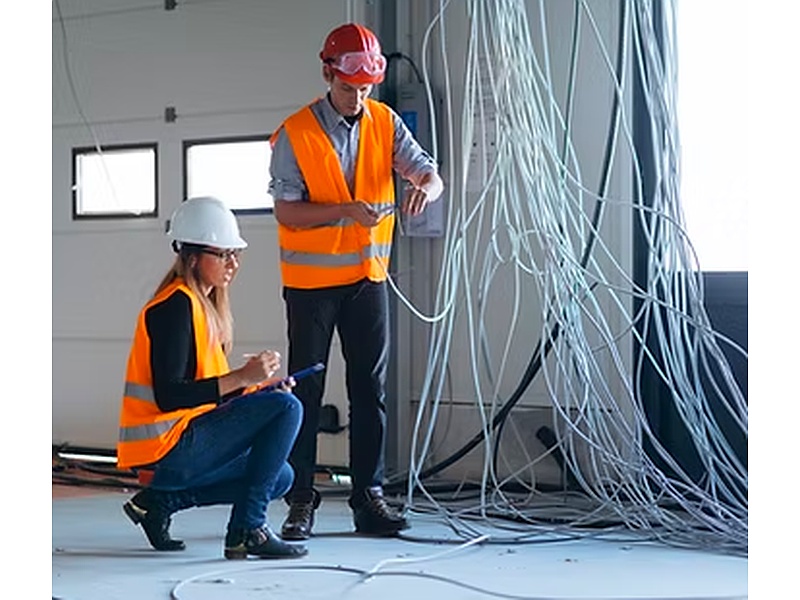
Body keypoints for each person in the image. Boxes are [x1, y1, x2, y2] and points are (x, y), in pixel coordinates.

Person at [268, 22, 445, 540]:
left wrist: (425, 190)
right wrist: (346, 210)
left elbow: (429, 173)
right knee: (306, 392)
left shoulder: (384, 123)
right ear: (328, 74)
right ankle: (300, 499)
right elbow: (286, 211)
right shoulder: (295, 133)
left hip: (368, 280)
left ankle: (370, 498)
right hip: (311, 286)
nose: (357, 98)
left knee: (370, 390)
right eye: (349, 88)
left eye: (366, 89)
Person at [116, 196, 308, 560]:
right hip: (165, 448)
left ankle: (160, 502)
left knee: (281, 477)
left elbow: (211, 396)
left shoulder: (204, 308)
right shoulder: (174, 306)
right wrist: (242, 377)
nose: (232, 263)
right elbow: (170, 396)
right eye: (222, 254)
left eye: (235, 254)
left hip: (186, 442)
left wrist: (256, 388)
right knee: (288, 407)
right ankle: (247, 529)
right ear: (191, 256)